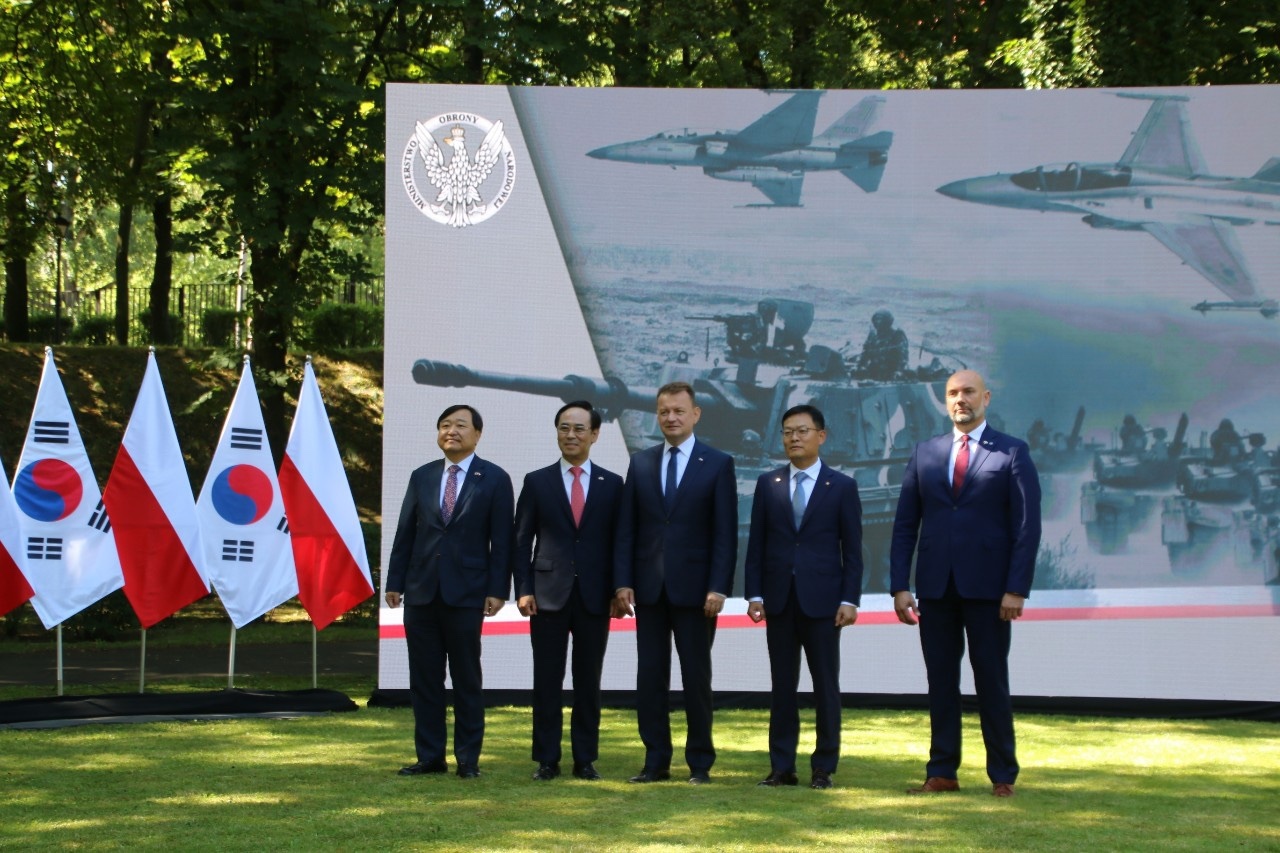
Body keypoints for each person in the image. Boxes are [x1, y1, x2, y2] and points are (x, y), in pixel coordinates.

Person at [889, 370, 1041, 798]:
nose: (961, 400)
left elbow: (1027, 527)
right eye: (953, 393)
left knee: (991, 679)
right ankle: (942, 772)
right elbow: (905, 527)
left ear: (986, 398)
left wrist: (1016, 588)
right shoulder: (925, 453)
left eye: (969, 392)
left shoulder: (1012, 452)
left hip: (990, 592)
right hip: (935, 590)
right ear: (945, 401)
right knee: (941, 682)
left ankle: (1002, 776)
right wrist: (900, 585)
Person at [614, 381, 737, 785]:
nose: (671, 418)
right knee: (650, 677)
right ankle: (655, 762)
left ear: (696, 414)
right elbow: (627, 530)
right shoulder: (642, 462)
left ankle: (700, 763)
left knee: (696, 678)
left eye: (679, 411)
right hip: (648, 591)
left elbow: (725, 534)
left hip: (697, 593)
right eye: (664, 411)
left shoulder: (718, 463)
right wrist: (623, 582)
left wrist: (718, 587)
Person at [386, 404, 514, 779]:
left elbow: (501, 541)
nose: (451, 431)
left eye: (460, 425)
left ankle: (468, 759)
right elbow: (406, 531)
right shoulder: (422, 476)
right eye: (445, 425)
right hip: (421, 592)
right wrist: (395, 581)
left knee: (466, 679)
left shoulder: (493, 478)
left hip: (468, 593)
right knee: (424, 679)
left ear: (477, 433)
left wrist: (497, 589)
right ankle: (430, 756)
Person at [744, 404, 863, 790]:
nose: (794, 438)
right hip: (778, 600)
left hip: (824, 603)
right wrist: (754, 593)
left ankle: (823, 767)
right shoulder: (769, 484)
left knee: (825, 686)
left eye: (802, 431)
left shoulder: (842, 486)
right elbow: (756, 545)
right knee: (782, 686)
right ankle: (782, 767)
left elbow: (854, 551)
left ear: (821, 435)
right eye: (788, 432)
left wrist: (849, 599)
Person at [513, 401, 623, 782]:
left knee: (588, 681)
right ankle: (547, 759)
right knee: (547, 679)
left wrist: (618, 588)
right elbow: (521, 541)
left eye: (579, 428)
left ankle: (585, 759)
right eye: (564, 428)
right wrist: (524, 589)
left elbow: (619, 542)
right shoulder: (537, 481)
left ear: (594, 434)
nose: (571, 435)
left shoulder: (613, 484)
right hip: (546, 595)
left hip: (595, 596)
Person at [857, 309, 908, 381]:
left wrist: (899, 371)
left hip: (891, 371)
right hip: (874, 371)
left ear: (888, 321)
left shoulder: (897, 334)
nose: (878, 322)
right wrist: (861, 366)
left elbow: (903, 355)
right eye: (876, 319)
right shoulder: (873, 334)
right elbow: (865, 352)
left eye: (881, 319)